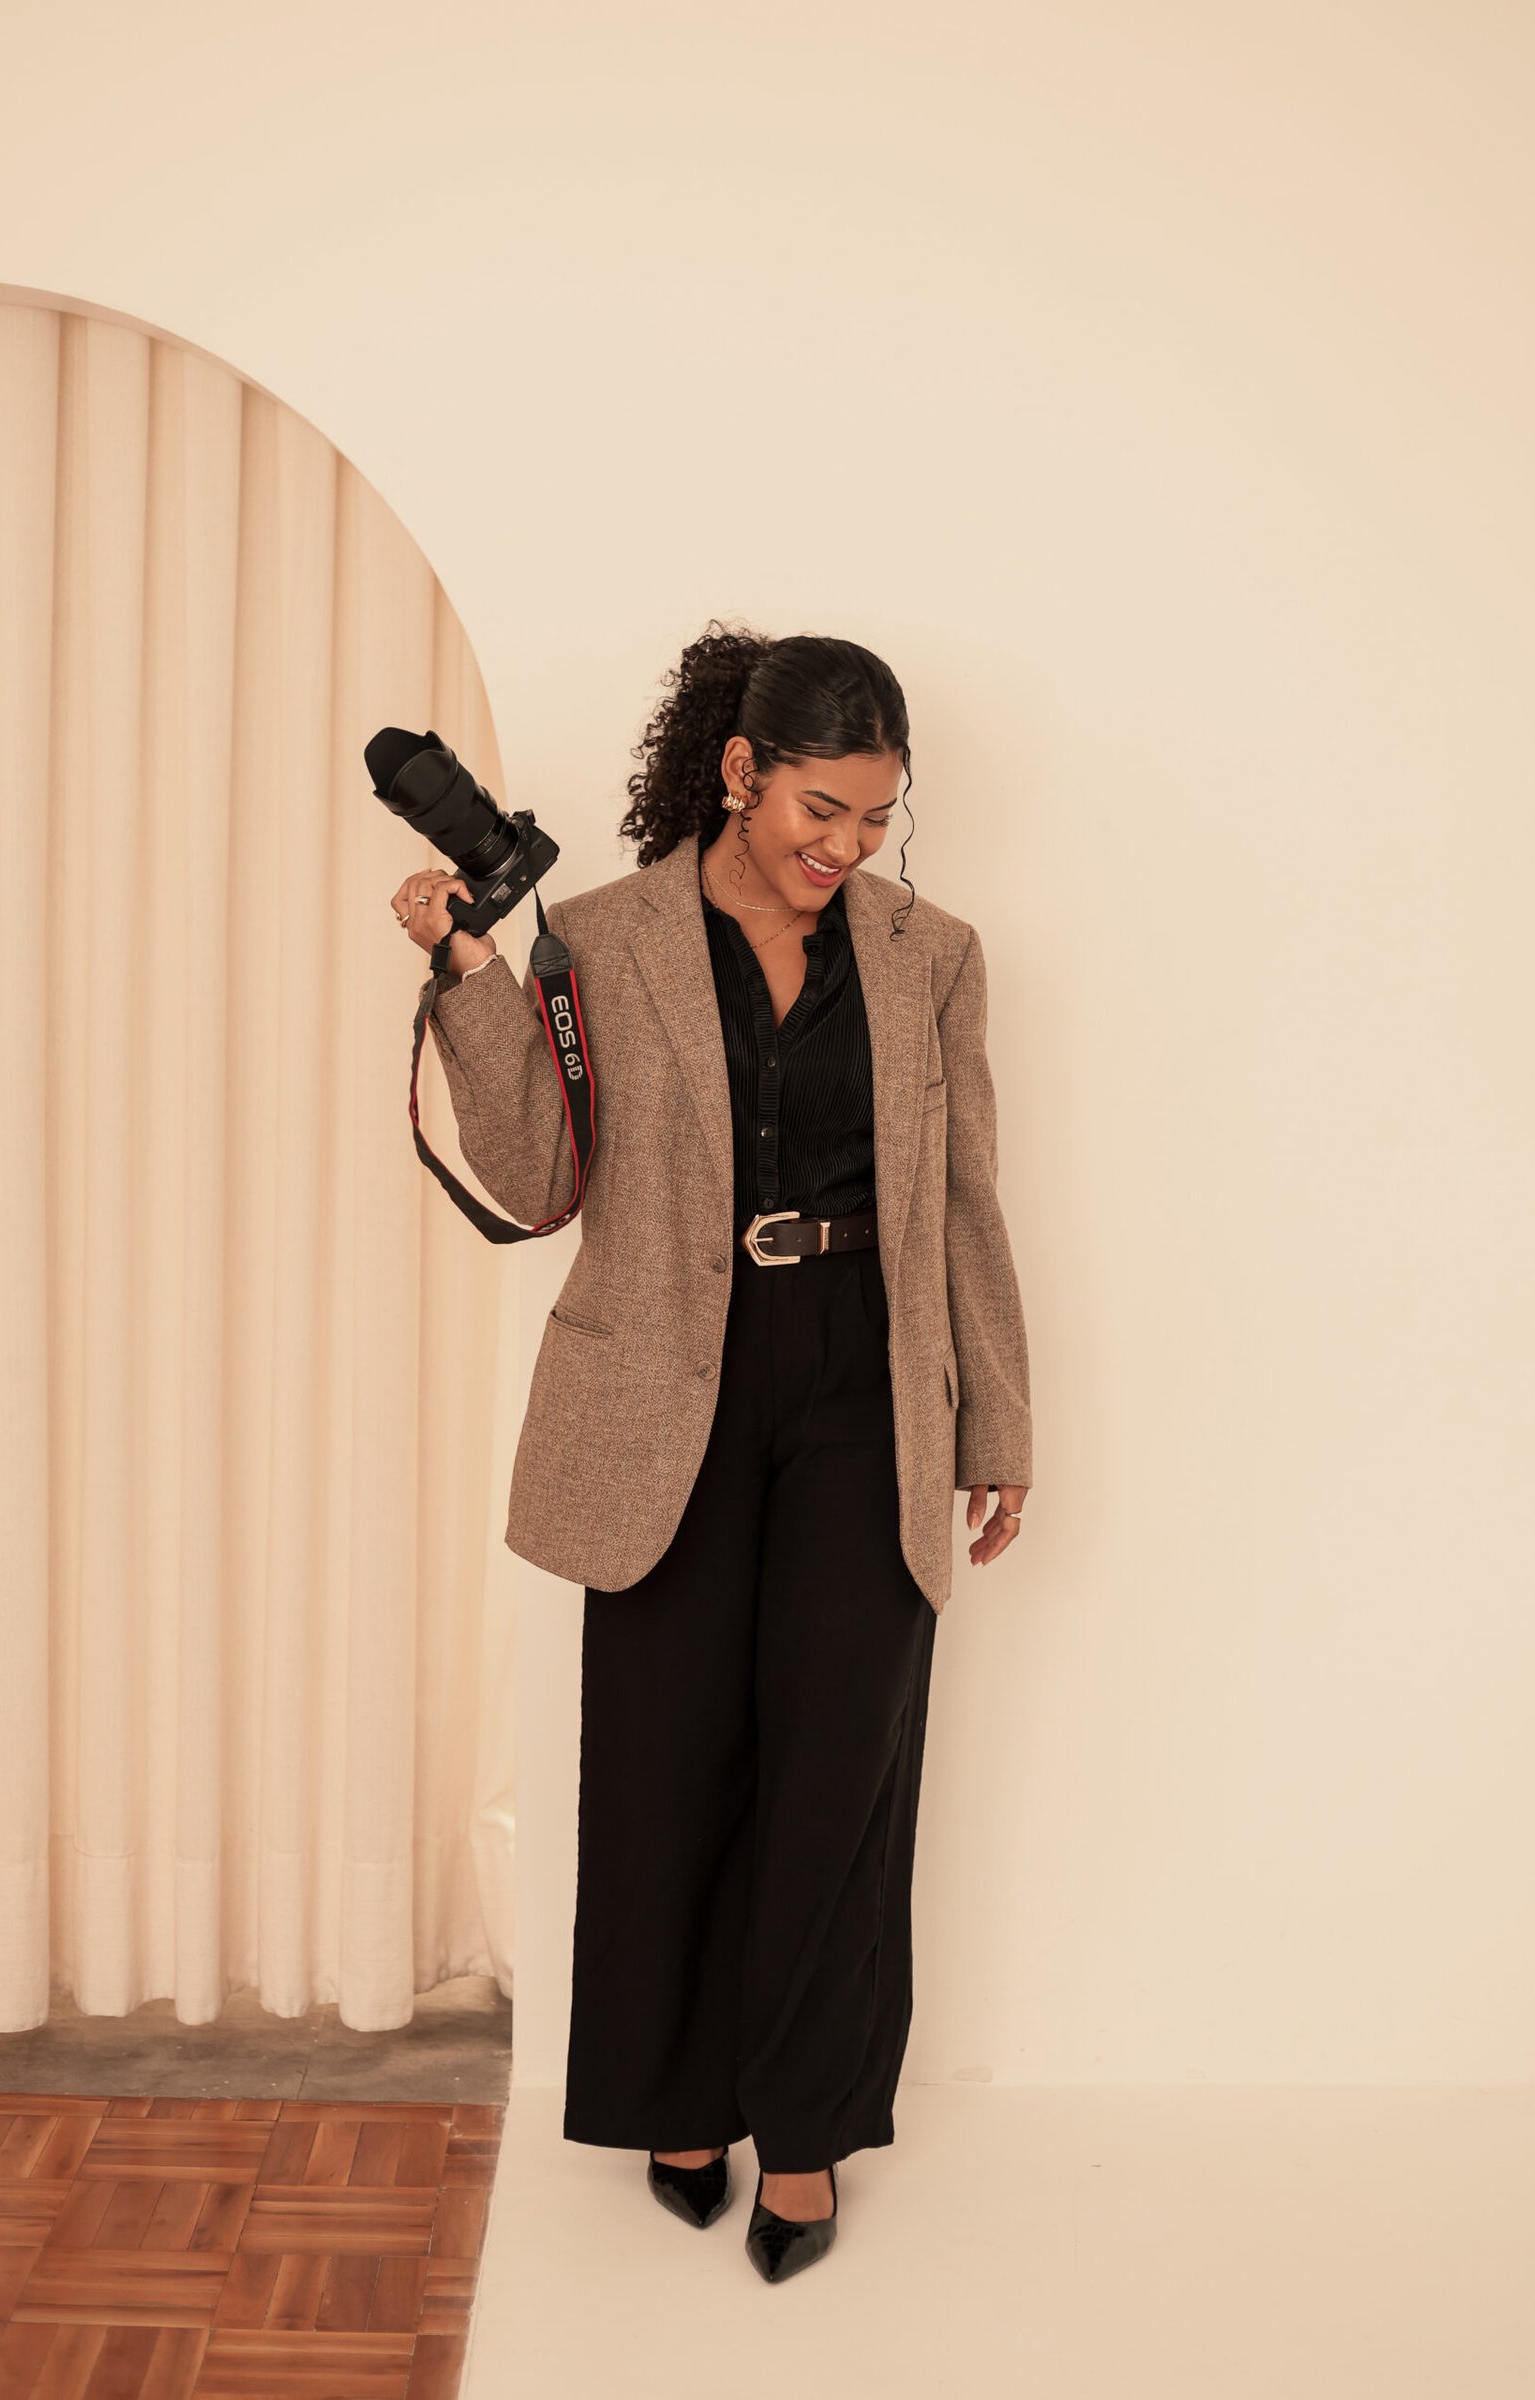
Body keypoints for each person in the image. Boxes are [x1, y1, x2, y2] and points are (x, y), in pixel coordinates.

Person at [392, 622, 1032, 2283]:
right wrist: (470, 978)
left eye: (876, 816)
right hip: (664, 1380)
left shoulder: (934, 955)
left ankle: (802, 2129)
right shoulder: (602, 938)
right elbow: (539, 1181)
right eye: (823, 808)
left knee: (839, 1764)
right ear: (741, 773)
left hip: (866, 1377)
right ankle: (678, 2100)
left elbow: (963, 1196)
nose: (848, 846)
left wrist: (997, 1415)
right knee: (665, 1762)